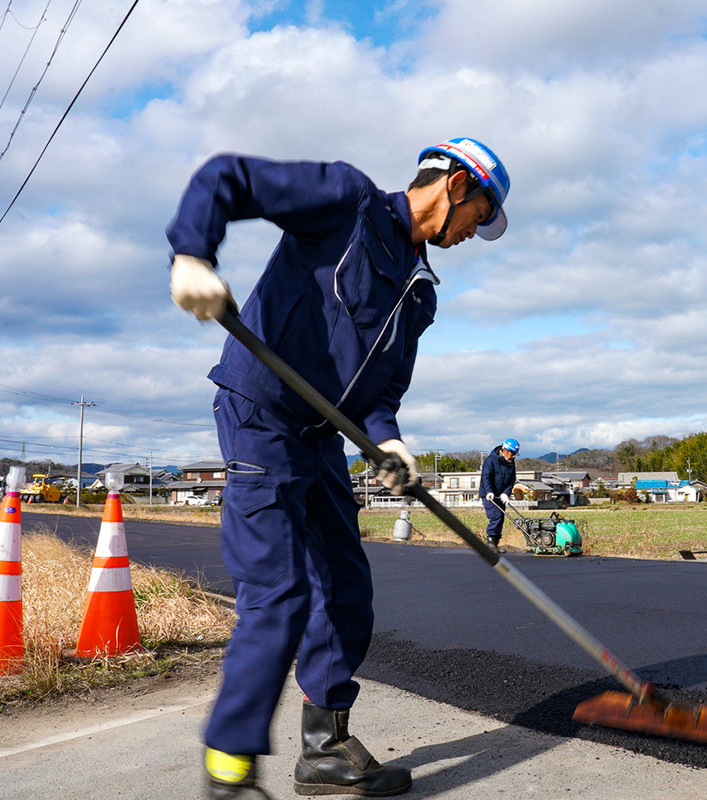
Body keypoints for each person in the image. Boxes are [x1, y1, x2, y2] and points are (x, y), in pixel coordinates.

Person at [166, 138, 510, 800]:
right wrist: (193, 253)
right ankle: (229, 773)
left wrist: (391, 444)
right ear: (458, 186)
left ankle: (323, 748)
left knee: (346, 588)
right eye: (479, 216)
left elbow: (379, 395)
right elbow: (225, 176)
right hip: (261, 416)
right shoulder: (346, 202)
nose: (474, 234)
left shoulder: (419, 296)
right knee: (280, 593)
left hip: (322, 439)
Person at [480, 438, 519, 551]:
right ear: (505, 450)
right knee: (495, 516)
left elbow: (512, 479)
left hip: (500, 494)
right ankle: (490, 543)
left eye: (515, 453)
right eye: (512, 453)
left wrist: (506, 493)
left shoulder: (511, 463)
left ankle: (495, 544)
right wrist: (489, 491)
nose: (513, 456)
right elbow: (485, 477)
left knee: (501, 518)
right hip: (489, 494)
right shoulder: (491, 460)